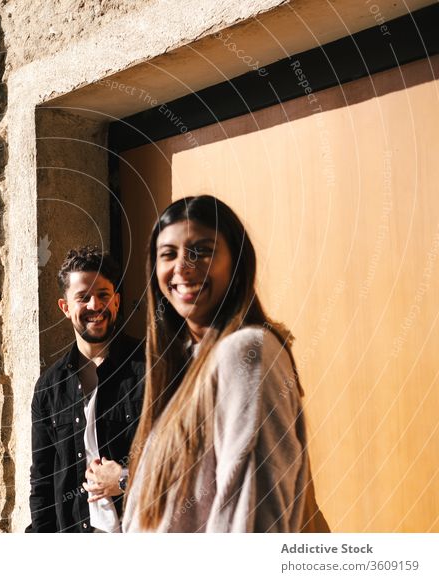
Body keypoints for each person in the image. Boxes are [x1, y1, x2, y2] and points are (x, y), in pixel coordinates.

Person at [122, 195, 329, 533]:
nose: (182, 268)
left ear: (236, 261)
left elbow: (255, 516)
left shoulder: (245, 352)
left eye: (201, 250)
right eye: (168, 255)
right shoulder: (188, 364)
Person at [28, 246, 145, 532]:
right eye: (83, 297)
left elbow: (183, 464)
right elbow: (42, 481)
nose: (95, 305)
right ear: (65, 308)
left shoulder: (151, 369)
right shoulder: (49, 388)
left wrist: (125, 480)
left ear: (116, 302)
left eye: (103, 295)